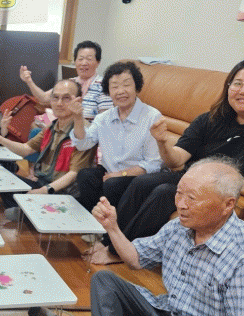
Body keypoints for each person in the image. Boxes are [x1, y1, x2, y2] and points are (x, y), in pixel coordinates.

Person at [29, 157, 244, 316]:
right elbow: (135, 259)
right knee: (104, 280)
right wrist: (112, 227)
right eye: (179, 193)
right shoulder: (179, 228)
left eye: (192, 198)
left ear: (227, 205)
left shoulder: (239, 254)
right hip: (168, 315)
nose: (181, 204)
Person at [92, 60, 244, 264]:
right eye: (238, 84)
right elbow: (176, 160)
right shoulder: (209, 119)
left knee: (164, 193)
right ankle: (111, 241)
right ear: (228, 87)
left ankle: (121, 252)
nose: (242, 91)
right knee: (141, 182)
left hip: (217, 188)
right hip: (188, 176)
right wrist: (162, 142)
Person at [0, 80, 96, 220]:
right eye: (55, 97)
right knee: (3, 180)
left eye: (66, 98)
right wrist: (0, 139)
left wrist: (43, 191)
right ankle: (33, 212)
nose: (59, 103)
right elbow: (26, 149)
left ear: (79, 101)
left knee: (25, 200)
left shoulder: (84, 132)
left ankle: (31, 213)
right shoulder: (52, 126)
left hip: (64, 192)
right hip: (43, 183)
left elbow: (74, 174)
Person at [70, 61, 162, 213]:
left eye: (126, 85)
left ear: (137, 87)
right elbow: (83, 144)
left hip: (137, 177)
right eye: (114, 86)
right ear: (108, 91)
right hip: (109, 173)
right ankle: (93, 220)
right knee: (85, 176)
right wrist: (78, 118)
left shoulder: (152, 117)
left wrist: (120, 175)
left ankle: (108, 225)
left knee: (112, 184)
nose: (120, 91)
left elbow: (153, 164)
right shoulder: (104, 118)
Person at [20, 40, 112, 121]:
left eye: (89, 59)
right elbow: (44, 98)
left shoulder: (104, 85)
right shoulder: (69, 83)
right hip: (64, 127)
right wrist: (29, 81)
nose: (84, 63)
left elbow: (104, 120)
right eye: (80, 59)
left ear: (98, 62)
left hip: (86, 131)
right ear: (75, 61)